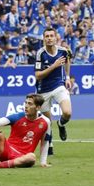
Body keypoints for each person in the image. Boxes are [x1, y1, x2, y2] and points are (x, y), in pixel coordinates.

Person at [0, 93, 51, 169]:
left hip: (23, 157)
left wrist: (43, 162)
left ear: (38, 107)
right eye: (25, 103)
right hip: (6, 150)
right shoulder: (18, 117)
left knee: (32, 157)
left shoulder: (45, 122)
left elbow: (45, 142)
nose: (26, 106)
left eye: (30, 104)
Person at [35, 27, 72, 155]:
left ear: (56, 38)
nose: (49, 38)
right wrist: (54, 66)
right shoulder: (41, 53)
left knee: (67, 113)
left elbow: (67, 60)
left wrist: (67, 76)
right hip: (43, 89)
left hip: (59, 85)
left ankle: (61, 124)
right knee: (47, 122)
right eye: (47, 36)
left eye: (51, 36)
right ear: (44, 39)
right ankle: (50, 145)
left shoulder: (63, 51)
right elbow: (38, 75)